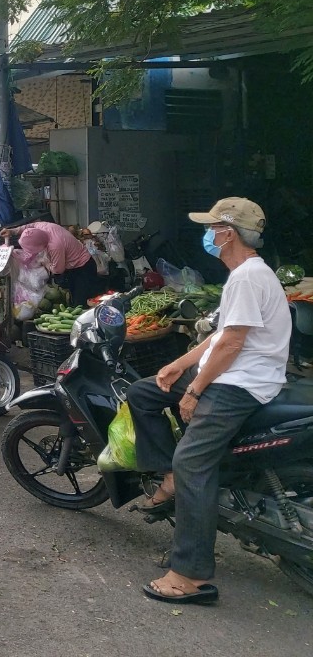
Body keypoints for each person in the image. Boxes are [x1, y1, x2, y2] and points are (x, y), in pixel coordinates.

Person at [127, 198, 290, 605]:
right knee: (144, 391)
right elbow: (218, 336)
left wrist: (196, 389)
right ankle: (168, 477)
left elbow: (233, 344)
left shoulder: (249, 277)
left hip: (241, 385)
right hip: (229, 372)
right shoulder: (242, 274)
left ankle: (189, 576)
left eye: (213, 229)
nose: (208, 236)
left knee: (192, 462)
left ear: (228, 234)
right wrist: (176, 365)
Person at [10, 220, 102, 304]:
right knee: (74, 298)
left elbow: (58, 270)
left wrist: (45, 262)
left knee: (81, 302)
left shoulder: (55, 246)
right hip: (74, 266)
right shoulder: (43, 227)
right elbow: (31, 225)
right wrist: (13, 231)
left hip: (83, 267)